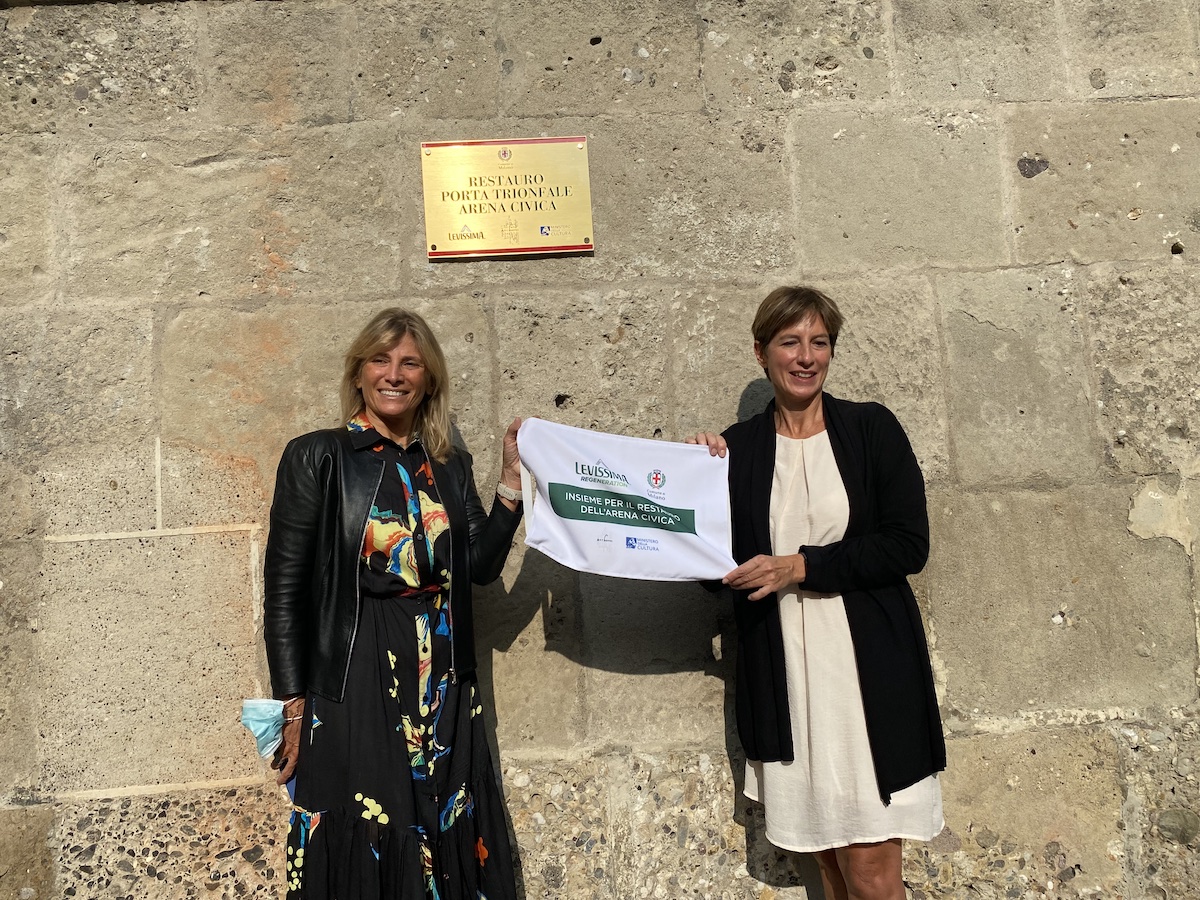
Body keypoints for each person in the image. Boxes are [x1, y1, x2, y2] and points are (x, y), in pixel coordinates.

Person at [689, 286, 945, 900]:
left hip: (865, 677)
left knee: (871, 865)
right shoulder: (741, 448)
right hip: (787, 679)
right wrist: (695, 484)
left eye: (819, 342)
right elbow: (711, 571)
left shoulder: (871, 428)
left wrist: (801, 566)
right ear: (761, 353)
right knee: (826, 861)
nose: (806, 357)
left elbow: (908, 544)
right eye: (789, 342)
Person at [263, 308, 525, 899]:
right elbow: (284, 590)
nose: (395, 374)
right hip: (358, 675)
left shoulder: (449, 466)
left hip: (444, 679)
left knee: (443, 821)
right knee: (370, 826)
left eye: (411, 363)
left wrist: (510, 484)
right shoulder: (317, 456)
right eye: (381, 360)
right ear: (359, 372)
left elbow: (479, 566)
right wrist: (294, 706)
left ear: (429, 379)